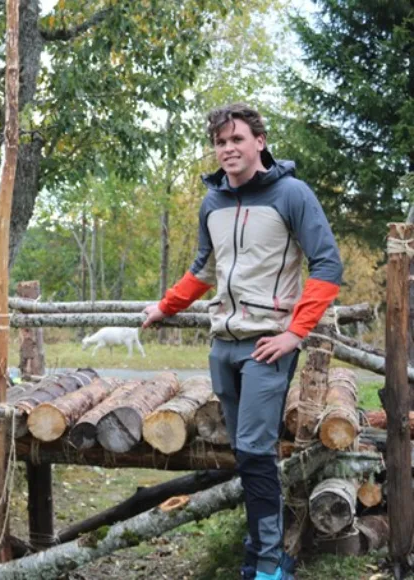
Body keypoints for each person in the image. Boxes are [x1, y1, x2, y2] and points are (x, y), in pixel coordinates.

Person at [143, 103, 342, 580]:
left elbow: (328, 265)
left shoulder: (291, 194)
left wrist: (295, 333)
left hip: (267, 344)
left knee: (254, 449)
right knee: (247, 451)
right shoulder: (212, 201)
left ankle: (271, 565)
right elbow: (204, 270)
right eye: (220, 142)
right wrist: (165, 307)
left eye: (237, 140)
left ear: (260, 142)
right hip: (223, 343)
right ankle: (257, 553)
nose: (228, 149)